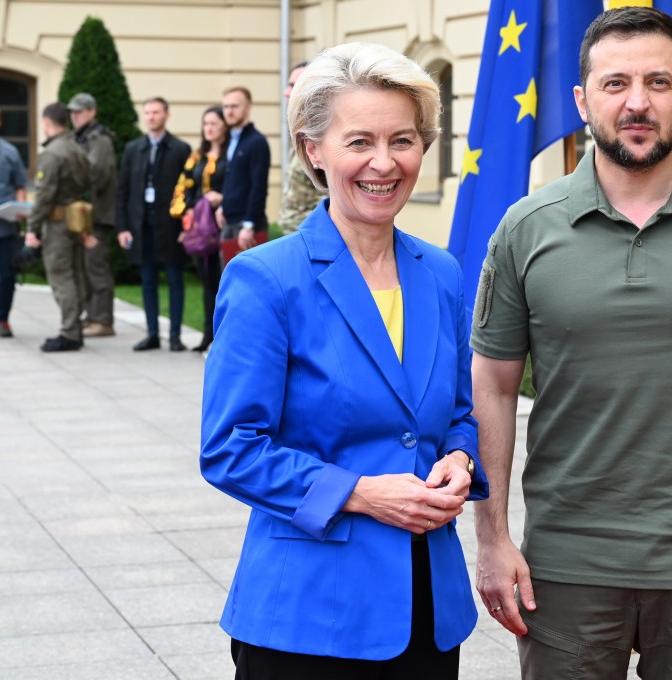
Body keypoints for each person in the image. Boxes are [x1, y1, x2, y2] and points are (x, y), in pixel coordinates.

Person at [471, 7, 672, 680]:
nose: (638, 103)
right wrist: (493, 538)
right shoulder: (524, 229)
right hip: (565, 565)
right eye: (615, 83)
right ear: (581, 99)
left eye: (658, 81)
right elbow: (492, 389)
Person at [200, 42, 487, 679]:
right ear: (313, 151)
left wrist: (461, 460)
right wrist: (359, 493)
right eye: (359, 141)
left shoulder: (441, 273)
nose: (384, 162)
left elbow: (458, 414)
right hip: (307, 618)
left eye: (403, 140)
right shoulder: (265, 278)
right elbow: (230, 449)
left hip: (427, 611)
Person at [115, 97, 192, 352]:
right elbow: (123, 190)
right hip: (141, 224)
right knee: (147, 279)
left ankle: (175, 335)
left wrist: (186, 225)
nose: (151, 117)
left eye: (156, 112)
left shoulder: (180, 149)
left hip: (170, 225)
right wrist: (123, 227)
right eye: (147, 112)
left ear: (166, 115)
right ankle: (152, 333)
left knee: (174, 278)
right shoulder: (133, 149)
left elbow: (188, 190)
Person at [24, 102, 93, 352]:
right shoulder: (77, 148)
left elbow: (44, 195)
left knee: (62, 277)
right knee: (74, 275)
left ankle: (69, 332)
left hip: (57, 223)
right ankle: (75, 327)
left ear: (47, 122)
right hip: (75, 220)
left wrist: (31, 228)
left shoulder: (53, 153)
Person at [169, 105, 227, 353]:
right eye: (206, 124)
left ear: (224, 126)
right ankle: (207, 334)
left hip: (223, 225)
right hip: (202, 229)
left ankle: (224, 336)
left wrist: (223, 199)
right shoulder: (197, 157)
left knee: (225, 281)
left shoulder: (230, 154)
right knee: (207, 282)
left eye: (214, 123)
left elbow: (237, 186)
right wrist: (190, 213)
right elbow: (185, 189)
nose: (209, 128)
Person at [68, 92, 118, 338]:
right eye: (72, 112)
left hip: (95, 215)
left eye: (80, 111)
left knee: (96, 267)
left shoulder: (99, 139)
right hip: (83, 214)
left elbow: (97, 173)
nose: (74, 116)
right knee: (85, 268)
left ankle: (103, 320)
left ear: (92, 112)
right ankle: (92, 316)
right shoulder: (81, 136)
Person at [217, 86, 269, 256]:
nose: (229, 111)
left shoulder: (257, 142)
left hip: (247, 227)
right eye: (226, 106)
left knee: (248, 273)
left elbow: (259, 186)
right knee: (226, 273)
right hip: (229, 222)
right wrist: (222, 206)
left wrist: (249, 224)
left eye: (234, 106)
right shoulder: (230, 140)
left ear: (248, 108)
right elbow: (232, 179)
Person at [0, 102, 28, 338]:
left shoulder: (10, 153)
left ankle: (2, 319)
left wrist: (21, 210)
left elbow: (20, 186)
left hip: (4, 225)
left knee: (7, 274)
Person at [278, 60, 324, 234]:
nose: (286, 92)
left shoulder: (321, 135)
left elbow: (331, 196)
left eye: (293, 85)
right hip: (296, 235)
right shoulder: (301, 132)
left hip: (312, 236)